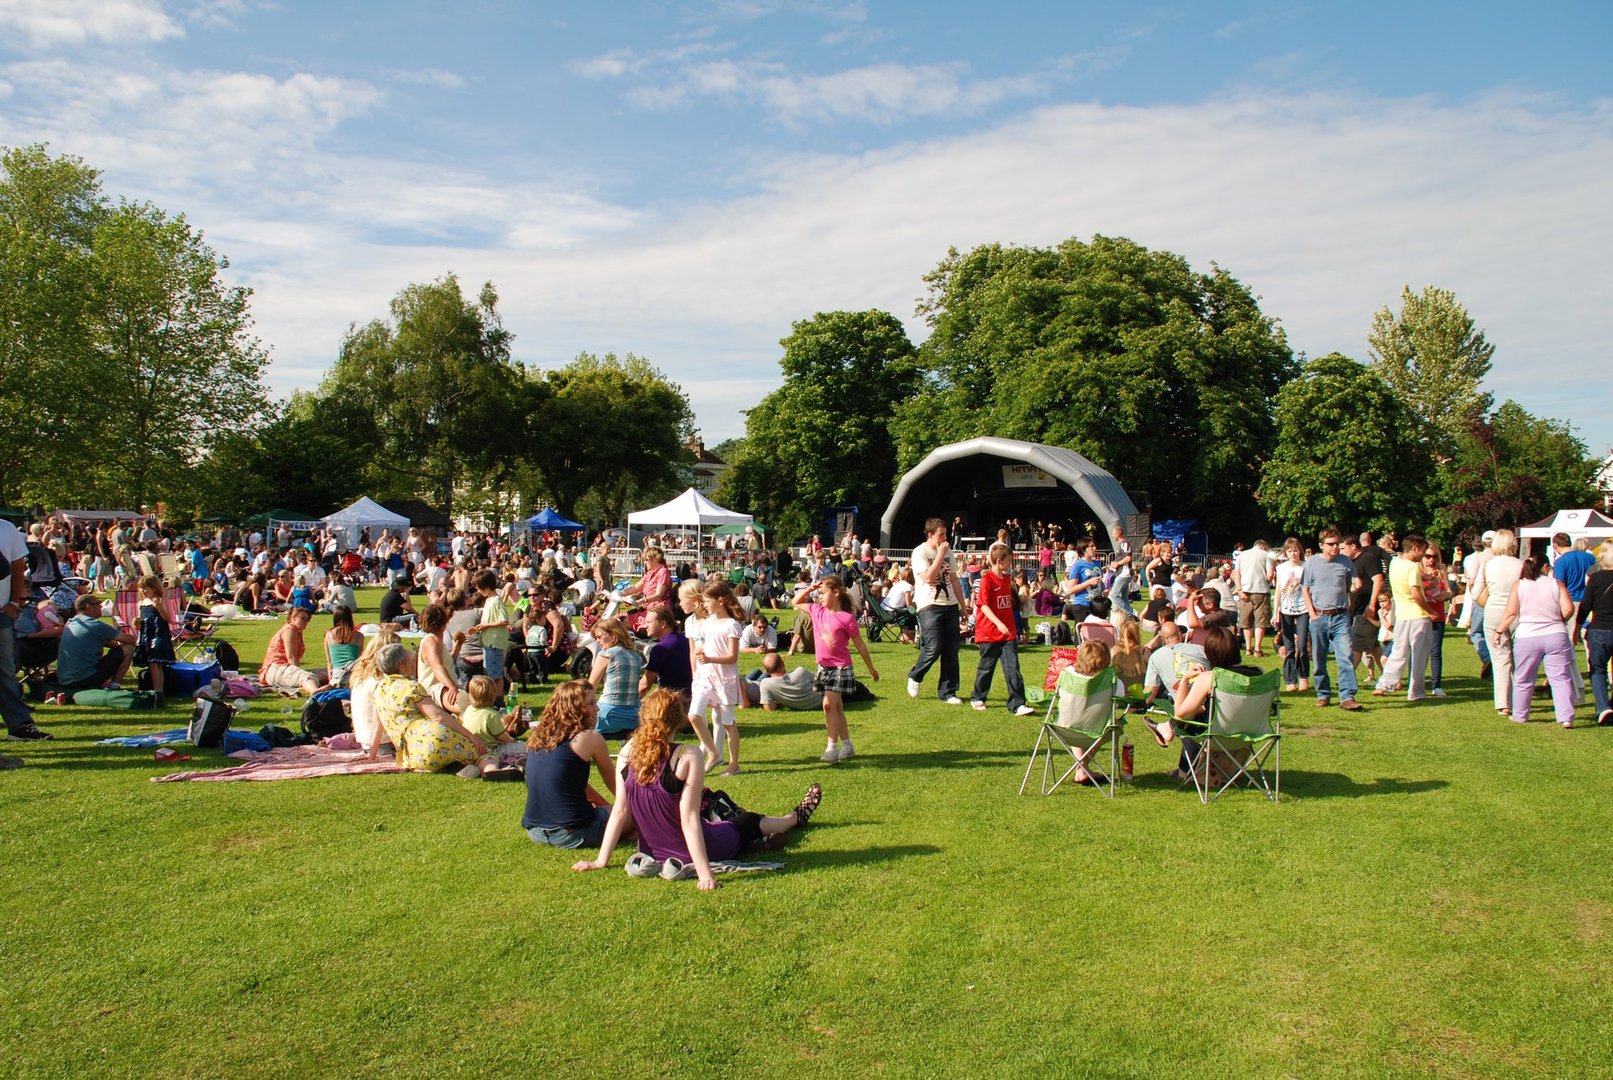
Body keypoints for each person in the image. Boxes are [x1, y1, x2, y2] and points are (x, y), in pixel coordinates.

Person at [572, 690, 823, 891]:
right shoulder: (687, 755)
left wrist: (600, 861)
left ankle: (764, 840)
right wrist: (705, 874)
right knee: (745, 821)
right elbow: (689, 818)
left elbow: (620, 811)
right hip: (693, 850)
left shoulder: (627, 752)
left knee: (724, 819)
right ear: (678, 720)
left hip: (651, 851)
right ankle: (792, 819)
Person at [1144, 626, 1253, 783]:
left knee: (1190, 718)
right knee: (1200, 711)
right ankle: (1167, 731)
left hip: (1219, 735)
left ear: (1210, 654)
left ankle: (1184, 770)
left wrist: (1185, 680)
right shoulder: (1258, 672)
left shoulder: (1209, 678)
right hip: (1250, 735)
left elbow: (1181, 714)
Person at [522, 680, 620, 849]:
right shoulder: (590, 738)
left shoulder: (539, 736)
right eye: (591, 704)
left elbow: (567, 780)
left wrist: (606, 806)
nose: (596, 709)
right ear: (574, 709)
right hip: (573, 832)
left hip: (535, 831)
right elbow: (619, 790)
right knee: (637, 815)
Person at [367, 643, 493, 772]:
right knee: (485, 753)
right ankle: (491, 771)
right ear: (401, 663)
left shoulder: (379, 690)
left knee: (449, 754)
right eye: (408, 654)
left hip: (412, 756)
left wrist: (371, 757)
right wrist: (471, 736)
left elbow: (377, 726)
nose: (412, 656)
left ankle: (456, 767)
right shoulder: (411, 687)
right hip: (434, 739)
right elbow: (438, 716)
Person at [795, 574, 879, 763]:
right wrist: (811, 588)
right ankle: (847, 746)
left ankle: (831, 748)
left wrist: (871, 668)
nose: (819, 597)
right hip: (824, 667)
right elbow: (796, 601)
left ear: (836, 592)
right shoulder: (817, 611)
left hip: (840, 668)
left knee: (828, 705)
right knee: (837, 707)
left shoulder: (846, 618)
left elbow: (860, 645)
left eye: (823, 593)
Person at [1494, 554, 1577, 727]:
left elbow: (1511, 612)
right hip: (1556, 634)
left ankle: (1520, 715)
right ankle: (1566, 717)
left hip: (1527, 636)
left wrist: (1499, 630)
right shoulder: (1556, 583)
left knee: (1523, 678)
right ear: (1545, 567)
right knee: (1560, 678)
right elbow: (1568, 609)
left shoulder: (1520, 585)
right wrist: (1559, 618)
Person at [1302, 528, 1363, 712]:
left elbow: (1353, 584)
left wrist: (1356, 586)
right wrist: (1312, 614)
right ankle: (1323, 694)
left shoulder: (1345, 562)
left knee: (1345, 656)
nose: (1335, 547)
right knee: (1320, 659)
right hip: (1319, 616)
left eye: (1337, 543)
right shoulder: (1311, 563)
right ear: (1321, 545)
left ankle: (1347, 697)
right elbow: (1305, 589)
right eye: (1331, 544)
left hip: (1341, 617)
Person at [906, 517, 965, 705]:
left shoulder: (949, 552)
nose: (945, 537)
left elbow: (954, 579)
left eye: (946, 533)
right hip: (929, 604)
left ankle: (949, 691)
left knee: (952, 649)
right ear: (931, 535)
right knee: (934, 646)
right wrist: (939, 555)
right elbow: (929, 577)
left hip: (950, 604)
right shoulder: (920, 552)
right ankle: (916, 675)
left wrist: (963, 606)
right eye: (941, 534)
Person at [970, 542, 1033, 716]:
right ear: (999, 561)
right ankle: (977, 697)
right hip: (989, 633)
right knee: (986, 668)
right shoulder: (986, 580)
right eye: (1009, 560)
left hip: (1008, 633)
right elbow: (983, 605)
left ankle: (1017, 704)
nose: (1011, 563)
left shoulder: (1007, 580)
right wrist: (998, 623)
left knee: (1013, 668)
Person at [1372, 534, 1436, 701]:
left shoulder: (1395, 562)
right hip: (1418, 617)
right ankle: (1416, 693)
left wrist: (1425, 578)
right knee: (1419, 657)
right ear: (1414, 548)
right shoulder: (1413, 567)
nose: (1423, 555)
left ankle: (1384, 684)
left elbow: (1405, 579)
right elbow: (1416, 593)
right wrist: (1430, 611)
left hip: (1401, 616)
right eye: (1422, 551)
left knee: (1398, 653)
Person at [690, 582, 745, 774]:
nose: (705, 605)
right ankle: (714, 753)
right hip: (706, 678)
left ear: (720, 600)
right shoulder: (708, 622)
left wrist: (709, 657)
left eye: (707, 601)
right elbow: (705, 644)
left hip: (724, 681)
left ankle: (734, 763)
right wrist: (700, 651)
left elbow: (732, 656)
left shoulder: (732, 625)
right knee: (694, 715)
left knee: (728, 723)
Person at [1474, 528, 1524, 716]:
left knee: (1500, 659)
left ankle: (1503, 703)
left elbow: (1475, 593)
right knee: (1519, 659)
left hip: (1494, 612)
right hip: (1517, 612)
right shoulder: (1521, 564)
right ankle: (1519, 699)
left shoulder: (1488, 565)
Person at [56, 594, 135, 694]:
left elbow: (89, 640)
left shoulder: (72, 622)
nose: (101, 606)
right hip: (84, 679)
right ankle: (114, 687)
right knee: (128, 648)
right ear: (89, 606)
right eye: (98, 604)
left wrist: (114, 645)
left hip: (64, 680)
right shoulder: (95, 625)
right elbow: (131, 640)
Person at [588, 617, 643, 738]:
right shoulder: (636, 656)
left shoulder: (606, 654)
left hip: (609, 715)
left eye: (599, 636)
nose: (597, 641)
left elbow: (590, 687)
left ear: (613, 634)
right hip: (634, 716)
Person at [348, 628, 399, 755]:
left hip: (365, 738)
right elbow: (380, 720)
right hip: (379, 742)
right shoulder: (380, 681)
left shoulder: (361, 674)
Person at [127, 574, 176, 696]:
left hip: (158, 633)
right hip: (146, 634)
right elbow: (141, 619)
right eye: (141, 588)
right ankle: (157, 690)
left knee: (156, 662)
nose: (142, 591)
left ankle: (158, 691)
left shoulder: (160, 599)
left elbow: (169, 619)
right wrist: (136, 623)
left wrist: (159, 608)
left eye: (145, 588)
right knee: (152, 663)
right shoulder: (141, 603)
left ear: (154, 588)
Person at [260, 607, 328, 695]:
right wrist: (298, 673)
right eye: (303, 618)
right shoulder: (290, 630)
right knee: (306, 677)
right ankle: (315, 691)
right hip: (276, 669)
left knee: (324, 672)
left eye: (307, 619)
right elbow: (291, 657)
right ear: (293, 618)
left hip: (283, 668)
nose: (306, 621)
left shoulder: (296, 631)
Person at [1273, 538, 1310, 693]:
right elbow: (1278, 591)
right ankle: (1290, 680)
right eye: (1289, 550)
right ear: (1286, 552)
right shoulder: (1281, 568)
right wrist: (1275, 612)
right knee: (1289, 647)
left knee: (1301, 646)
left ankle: (1303, 677)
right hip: (1286, 610)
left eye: (1295, 550)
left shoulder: (1306, 566)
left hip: (1303, 609)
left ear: (1299, 550)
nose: (1292, 553)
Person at [467, 569, 512, 695]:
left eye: (479, 588)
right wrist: (478, 628)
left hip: (495, 641)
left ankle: (498, 699)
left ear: (486, 586)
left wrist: (486, 626)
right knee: (490, 672)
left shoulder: (497, 600)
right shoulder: (488, 600)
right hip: (488, 641)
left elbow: (504, 621)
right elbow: (488, 621)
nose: (478, 591)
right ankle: (495, 698)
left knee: (495, 674)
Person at [1583, 546, 1613, 726]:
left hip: (1600, 628)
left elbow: (1586, 604)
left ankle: (1602, 707)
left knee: (1597, 670)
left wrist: (1578, 625)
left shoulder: (1595, 579)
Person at [1233, 538, 1276, 657]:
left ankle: (1248, 648)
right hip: (1261, 591)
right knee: (1260, 622)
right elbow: (1270, 574)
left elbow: (1236, 573)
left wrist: (1239, 590)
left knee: (1246, 621)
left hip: (1244, 590)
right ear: (1263, 546)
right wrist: (1268, 581)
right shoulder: (1266, 555)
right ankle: (1257, 649)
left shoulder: (1241, 555)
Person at [740, 652, 824, 710]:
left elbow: (769, 708)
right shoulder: (800, 672)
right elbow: (822, 681)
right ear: (783, 664)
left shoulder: (766, 684)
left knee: (756, 672)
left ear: (767, 672)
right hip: (819, 702)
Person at [639, 604, 691, 697]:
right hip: (690, 698)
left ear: (663, 624)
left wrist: (628, 704)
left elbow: (645, 684)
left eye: (649, 622)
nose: (645, 626)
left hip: (671, 701)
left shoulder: (661, 648)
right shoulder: (686, 641)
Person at [323, 605, 362, 687]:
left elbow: (329, 662)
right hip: (354, 674)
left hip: (337, 675)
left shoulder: (329, 634)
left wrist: (330, 682)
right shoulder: (359, 635)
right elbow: (360, 659)